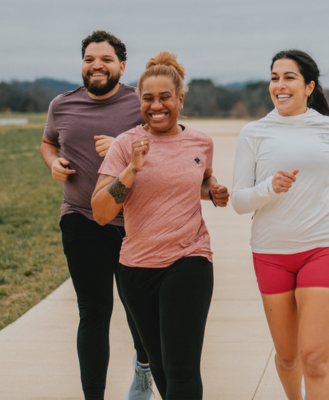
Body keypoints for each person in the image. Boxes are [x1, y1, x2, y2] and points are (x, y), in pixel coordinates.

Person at [232, 49, 329, 400]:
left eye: (289, 77)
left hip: (322, 248)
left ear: (309, 86)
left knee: (314, 359)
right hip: (270, 253)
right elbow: (238, 200)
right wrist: (269, 187)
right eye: (275, 78)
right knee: (287, 356)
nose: (279, 85)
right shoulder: (254, 133)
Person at [91, 51, 229, 400]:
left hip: (190, 259)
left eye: (165, 97)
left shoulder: (201, 143)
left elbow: (199, 181)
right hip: (136, 268)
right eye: (148, 98)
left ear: (180, 99)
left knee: (182, 369)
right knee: (165, 372)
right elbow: (102, 212)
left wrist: (213, 192)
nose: (157, 106)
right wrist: (132, 167)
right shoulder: (124, 145)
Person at [40, 30, 154, 400]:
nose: (96, 65)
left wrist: (120, 150)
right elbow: (48, 141)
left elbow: (162, 147)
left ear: (122, 66)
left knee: (138, 309)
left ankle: (143, 369)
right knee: (93, 311)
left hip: (133, 223)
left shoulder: (140, 103)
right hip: (81, 219)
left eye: (105, 59)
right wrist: (52, 162)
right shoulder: (62, 104)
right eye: (90, 59)